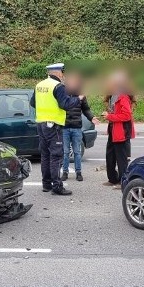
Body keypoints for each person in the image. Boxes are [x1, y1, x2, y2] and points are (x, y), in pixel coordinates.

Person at [29, 63, 83, 196]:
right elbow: (65, 104)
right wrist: (79, 99)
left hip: (41, 124)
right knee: (56, 156)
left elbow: (32, 103)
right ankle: (57, 186)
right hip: (53, 125)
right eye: (62, 72)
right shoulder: (58, 86)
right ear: (58, 73)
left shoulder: (39, 85)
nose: (63, 75)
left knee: (45, 155)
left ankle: (46, 184)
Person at [62, 75, 100, 182]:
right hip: (65, 127)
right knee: (65, 152)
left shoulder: (81, 95)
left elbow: (86, 109)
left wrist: (92, 118)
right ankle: (65, 172)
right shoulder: (63, 93)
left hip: (77, 127)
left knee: (77, 152)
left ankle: (78, 172)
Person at [102, 73, 135, 189]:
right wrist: (109, 115)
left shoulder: (123, 97)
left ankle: (123, 182)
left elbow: (126, 116)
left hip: (121, 131)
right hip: (113, 130)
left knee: (121, 159)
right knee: (110, 156)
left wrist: (110, 117)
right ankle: (112, 179)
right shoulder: (113, 95)